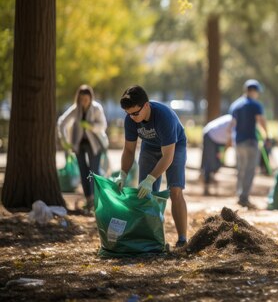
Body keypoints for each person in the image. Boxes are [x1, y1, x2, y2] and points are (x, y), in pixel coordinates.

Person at [114, 86, 188, 248]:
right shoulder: (130, 119)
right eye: (128, 114)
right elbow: (128, 150)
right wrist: (123, 174)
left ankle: (182, 239)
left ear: (146, 105)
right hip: (149, 146)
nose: (132, 117)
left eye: (135, 113)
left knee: (175, 190)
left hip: (175, 146)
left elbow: (168, 156)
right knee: (145, 193)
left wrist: (151, 178)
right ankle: (152, 239)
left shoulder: (164, 117)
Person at [57, 85, 109, 214]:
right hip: (79, 144)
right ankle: (89, 200)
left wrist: (90, 126)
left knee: (94, 171)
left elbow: (103, 125)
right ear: (78, 99)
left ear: (90, 98)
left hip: (94, 145)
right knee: (83, 171)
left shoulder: (97, 108)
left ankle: (97, 201)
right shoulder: (76, 109)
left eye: (86, 99)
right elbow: (62, 122)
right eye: (81, 99)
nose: (84, 102)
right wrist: (65, 141)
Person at [228, 79, 269, 209]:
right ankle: (244, 198)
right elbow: (261, 121)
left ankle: (239, 194)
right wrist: (266, 135)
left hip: (238, 142)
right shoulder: (255, 105)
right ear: (254, 91)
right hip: (251, 141)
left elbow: (231, 124)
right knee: (250, 170)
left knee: (241, 169)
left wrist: (229, 139)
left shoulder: (235, 105)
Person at [200, 114, 232, 196]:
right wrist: (224, 151)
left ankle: (211, 175)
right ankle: (206, 186)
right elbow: (230, 140)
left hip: (219, 139)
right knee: (210, 161)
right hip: (210, 134)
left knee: (219, 161)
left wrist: (223, 153)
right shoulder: (235, 120)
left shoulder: (235, 119)